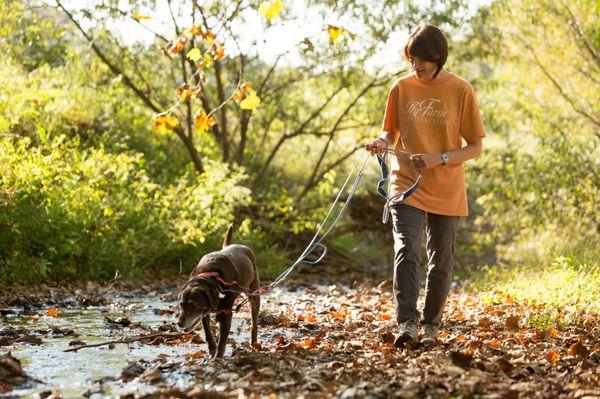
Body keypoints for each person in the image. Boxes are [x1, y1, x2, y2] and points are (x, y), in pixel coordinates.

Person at [365, 23, 485, 347]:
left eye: (423, 60)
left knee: (441, 260)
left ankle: (431, 324)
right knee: (406, 249)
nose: (416, 66)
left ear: (438, 56)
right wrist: (380, 140)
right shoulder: (401, 87)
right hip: (406, 182)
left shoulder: (461, 90)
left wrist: (440, 157)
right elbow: (390, 132)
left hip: (447, 186)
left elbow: (475, 146)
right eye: (412, 59)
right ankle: (407, 323)